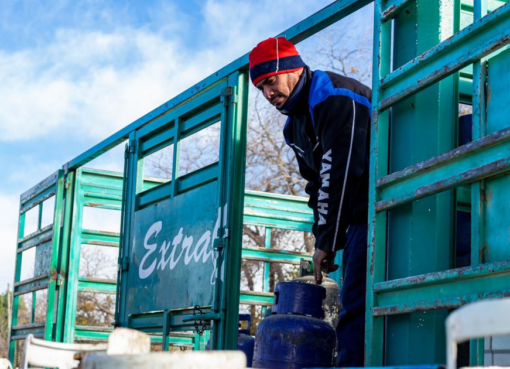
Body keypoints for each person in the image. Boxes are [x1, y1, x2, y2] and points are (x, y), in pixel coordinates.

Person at [249, 37, 371, 366]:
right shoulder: (294, 128)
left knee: (358, 312)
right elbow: (316, 185)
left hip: (386, 207)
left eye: (270, 82)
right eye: (260, 89)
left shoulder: (335, 96)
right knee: (353, 308)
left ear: (292, 68)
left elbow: (341, 170)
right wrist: (322, 238)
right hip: (358, 221)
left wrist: (328, 242)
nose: (268, 94)